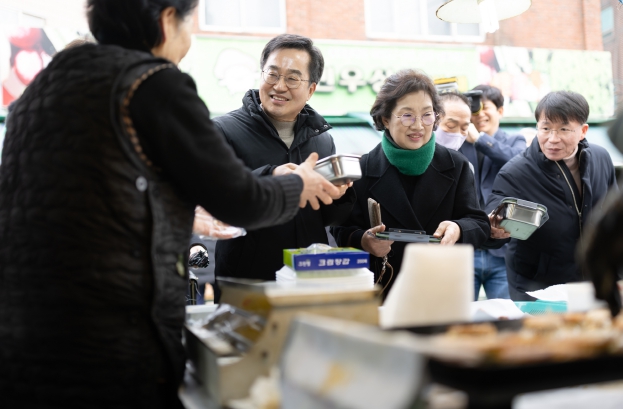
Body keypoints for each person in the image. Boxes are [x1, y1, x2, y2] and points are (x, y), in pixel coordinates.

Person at [0, 1, 341, 407]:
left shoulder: (38, 89)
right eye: (188, 25)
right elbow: (240, 200)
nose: (188, 41)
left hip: (22, 336)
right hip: (107, 339)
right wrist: (294, 183)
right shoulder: (152, 83)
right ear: (165, 21)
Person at [331, 69, 490, 296]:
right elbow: (340, 229)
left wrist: (458, 229)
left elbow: (478, 222)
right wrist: (364, 241)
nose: (418, 126)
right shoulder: (363, 169)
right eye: (407, 115)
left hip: (442, 288)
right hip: (384, 290)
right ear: (385, 118)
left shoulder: (457, 165)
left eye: (427, 115)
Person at [213, 34, 355, 285]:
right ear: (261, 75)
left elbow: (323, 218)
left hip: (309, 275)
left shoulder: (322, 139)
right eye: (273, 74)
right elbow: (213, 199)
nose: (279, 86)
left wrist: (338, 196)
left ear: (311, 89)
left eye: (292, 78)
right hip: (249, 278)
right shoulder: (223, 130)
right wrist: (272, 177)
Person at [485, 91, 617, 301]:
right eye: (545, 128)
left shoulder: (601, 157)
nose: (552, 139)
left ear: (583, 131)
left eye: (564, 129)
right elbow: (494, 210)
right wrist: (493, 226)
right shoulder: (516, 172)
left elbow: (613, 219)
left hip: (592, 281)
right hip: (537, 288)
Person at [459, 84, 526, 300]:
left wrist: (479, 139)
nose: (479, 114)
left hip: (502, 251)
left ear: (500, 110)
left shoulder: (515, 141)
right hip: (465, 249)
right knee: (460, 318)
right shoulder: (458, 143)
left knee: (506, 317)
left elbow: (516, 164)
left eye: (485, 107)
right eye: (474, 109)